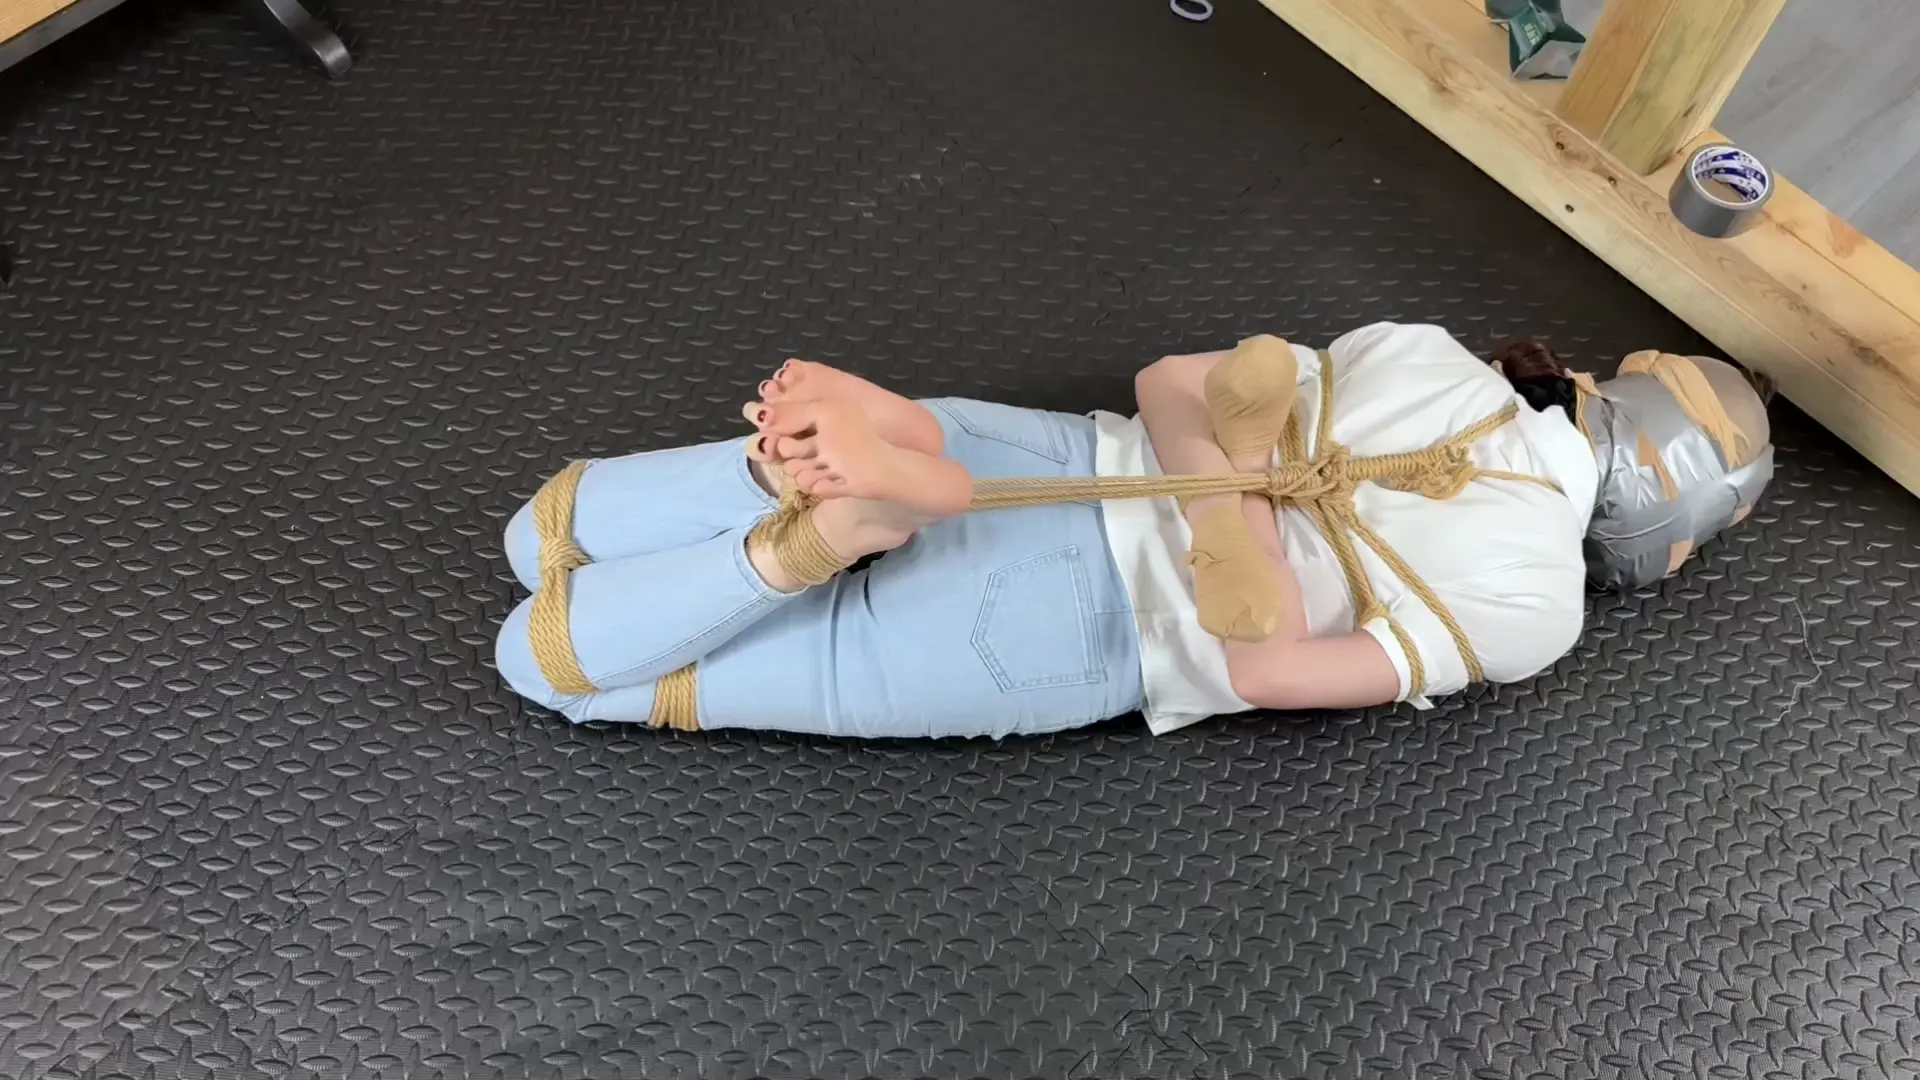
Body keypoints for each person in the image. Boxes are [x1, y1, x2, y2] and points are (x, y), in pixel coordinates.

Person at [495, 322, 1773, 738]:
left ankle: (882, 474)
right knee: (548, 665)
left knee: (542, 531)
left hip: (1035, 453)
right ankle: (820, 544)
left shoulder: (1430, 353)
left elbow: (1169, 383)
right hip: (1089, 633)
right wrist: (1239, 543)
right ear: (1669, 517)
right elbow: (1266, 669)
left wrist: (1232, 473)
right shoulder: (1539, 607)